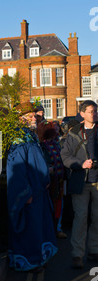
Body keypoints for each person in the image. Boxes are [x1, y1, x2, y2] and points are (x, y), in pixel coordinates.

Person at [6, 102, 58, 272]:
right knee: (30, 228)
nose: (34, 118)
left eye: (34, 115)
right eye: (29, 115)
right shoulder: (18, 138)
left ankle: (39, 257)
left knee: (40, 226)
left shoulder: (31, 135)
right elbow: (18, 167)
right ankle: (30, 260)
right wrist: (24, 192)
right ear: (20, 119)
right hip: (29, 192)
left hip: (38, 190)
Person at [60, 100, 98, 269]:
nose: (94, 114)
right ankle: (77, 254)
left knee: (97, 218)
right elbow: (65, 157)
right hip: (81, 181)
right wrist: (81, 164)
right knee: (81, 218)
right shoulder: (73, 133)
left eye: (96, 111)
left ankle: (94, 250)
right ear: (82, 113)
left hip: (97, 180)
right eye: (91, 111)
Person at [37, 121, 66, 239]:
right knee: (49, 206)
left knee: (59, 205)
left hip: (59, 180)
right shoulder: (41, 146)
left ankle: (57, 228)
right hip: (48, 180)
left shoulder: (56, 144)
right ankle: (49, 231)